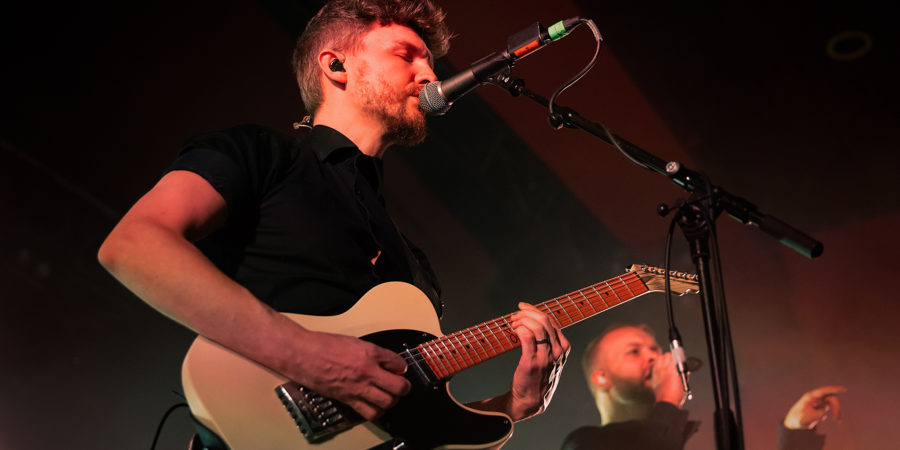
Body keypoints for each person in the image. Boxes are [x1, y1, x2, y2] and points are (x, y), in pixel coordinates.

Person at [97, 0, 569, 447]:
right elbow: (132, 244)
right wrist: (307, 355)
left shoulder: (413, 263)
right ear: (336, 65)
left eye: (428, 62)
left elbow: (417, 434)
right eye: (405, 55)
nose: (429, 74)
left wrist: (512, 406)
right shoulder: (262, 153)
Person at [562, 323, 844, 450]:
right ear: (602, 377)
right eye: (634, 352)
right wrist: (668, 399)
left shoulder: (679, 438)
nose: (653, 356)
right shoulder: (584, 444)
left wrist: (796, 432)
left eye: (654, 348)